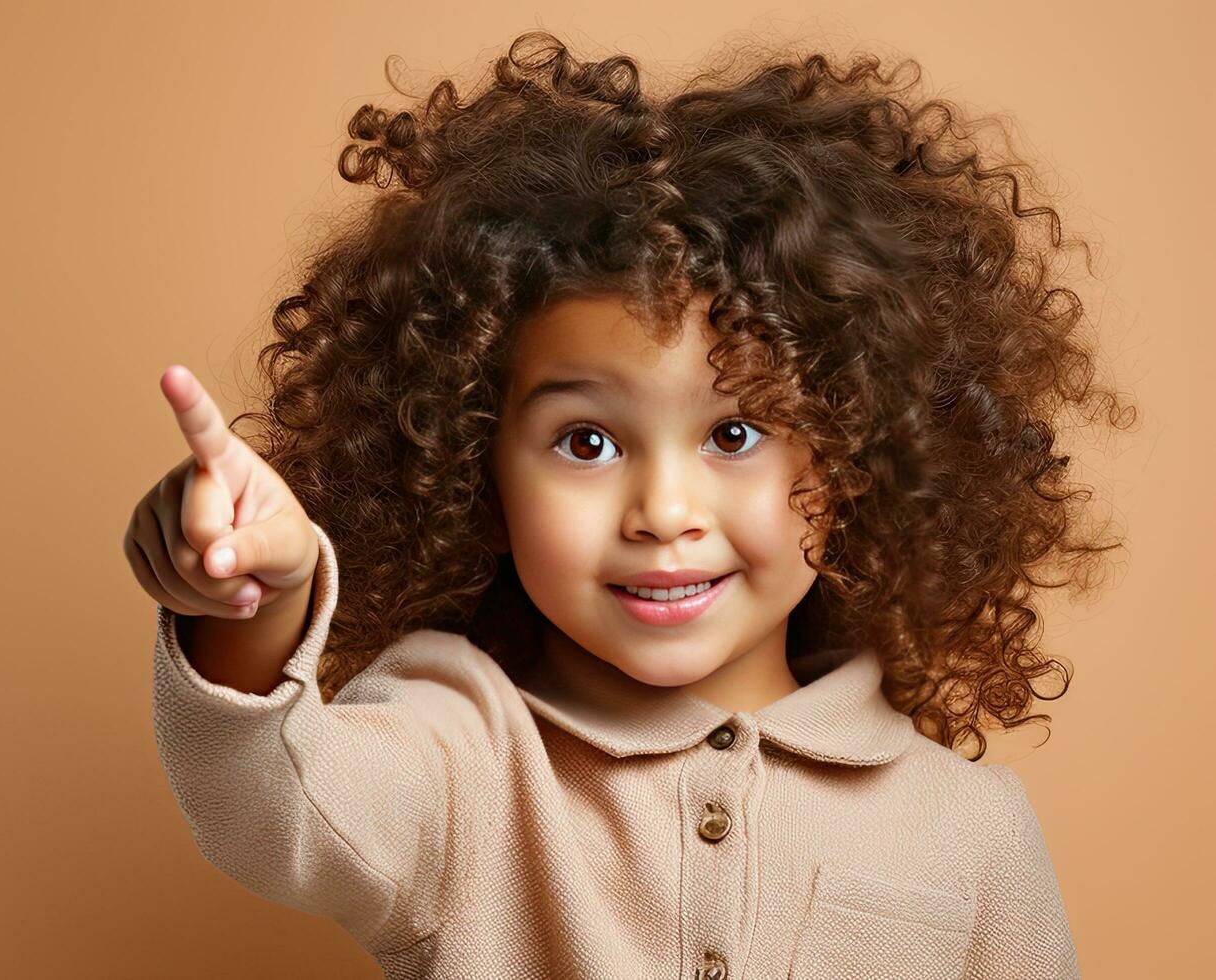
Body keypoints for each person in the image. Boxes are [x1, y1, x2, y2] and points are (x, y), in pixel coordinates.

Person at [121, 29, 1134, 979]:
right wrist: (252, 596)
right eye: (586, 441)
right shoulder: (459, 751)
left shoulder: (967, 828)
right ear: (476, 465)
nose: (661, 508)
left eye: (733, 434)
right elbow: (274, 806)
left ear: (860, 451)